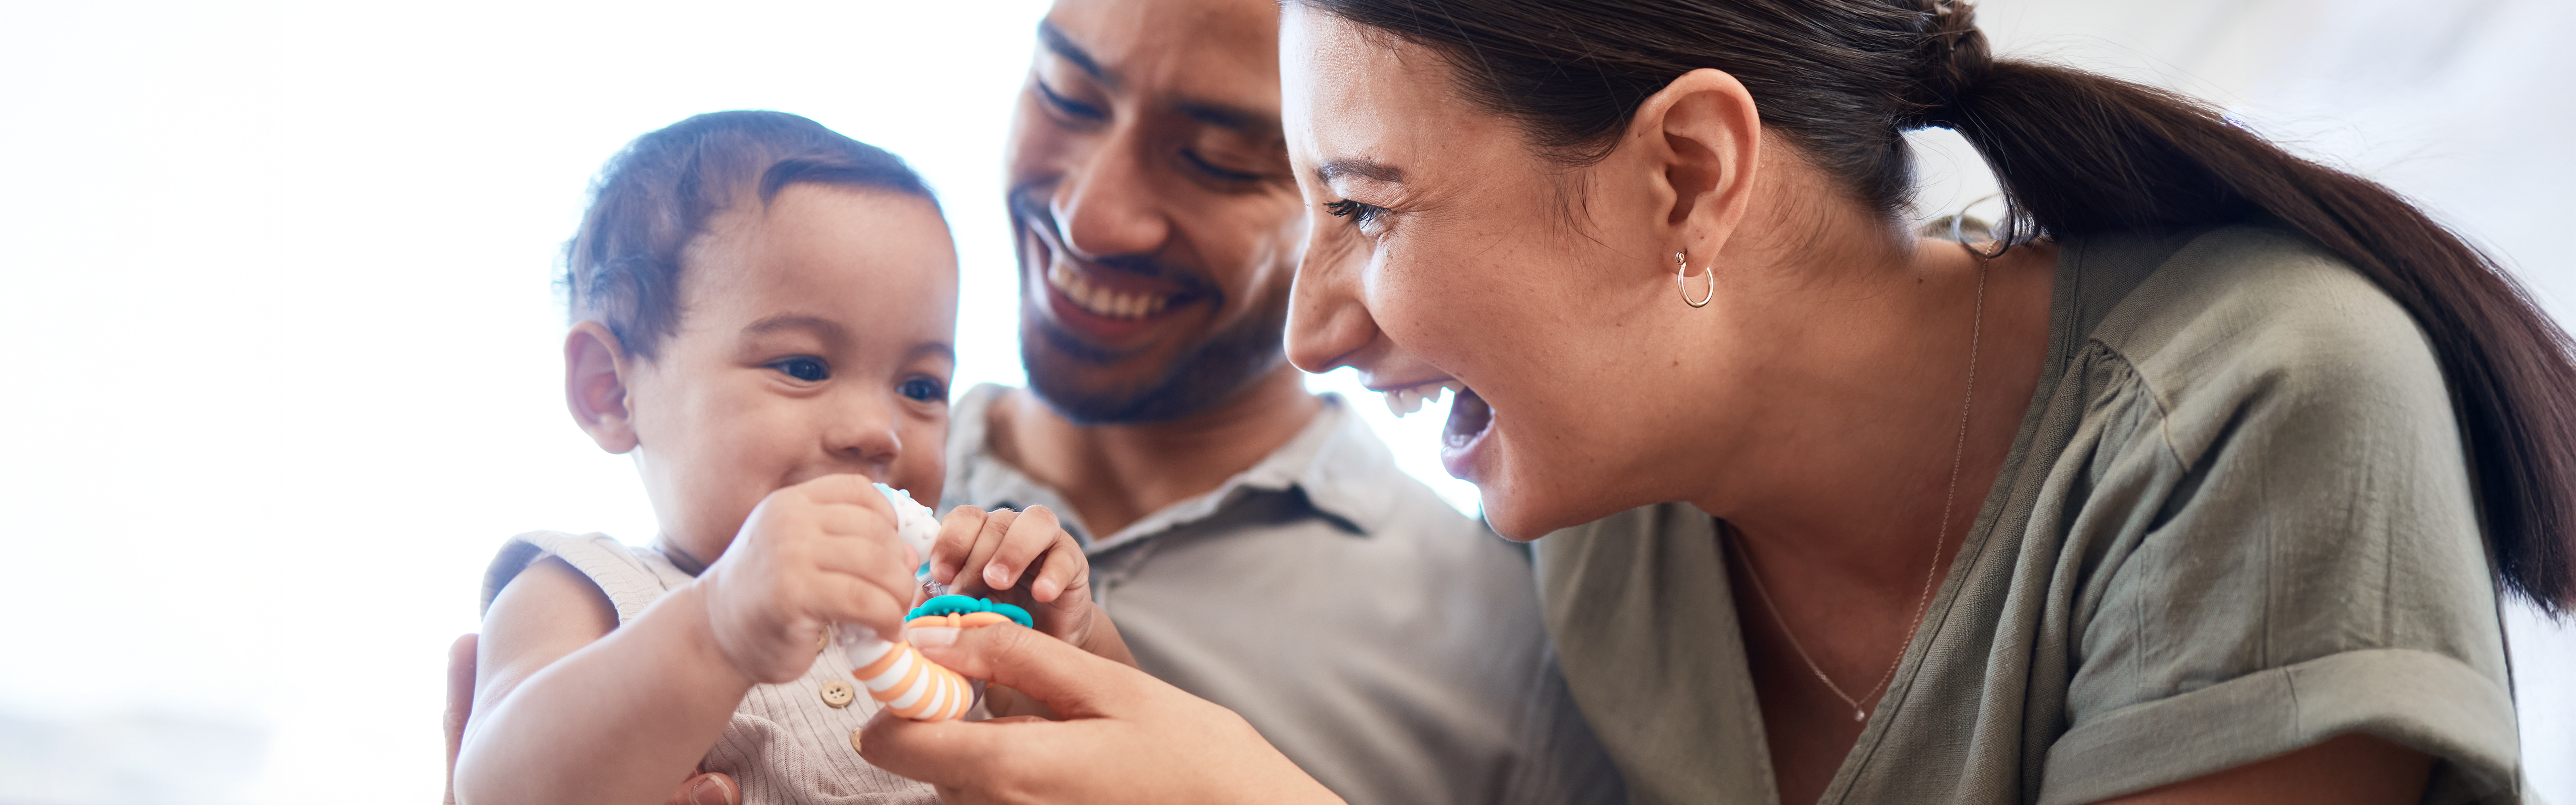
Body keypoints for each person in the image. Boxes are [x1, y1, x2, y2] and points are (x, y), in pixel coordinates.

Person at [857, 1, 2573, 804]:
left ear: (1688, 172)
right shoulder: (1605, 544)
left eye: (1365, 209)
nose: (1311, 329)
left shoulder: (2258, 422)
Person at [934, 0, 1618, 802]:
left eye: (1219, 161)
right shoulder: (787, 482)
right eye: (1066, 95)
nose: (1090, 219)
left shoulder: (1508, 648)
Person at [450, 111, 1133, 805]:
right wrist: (717, 626)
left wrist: (1071, 643)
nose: (879, 430)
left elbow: (1159, 766)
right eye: (804, 366)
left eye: (921, 387)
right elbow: (501, 790)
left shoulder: (946, 607)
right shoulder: (585, 593)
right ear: (611, 390)